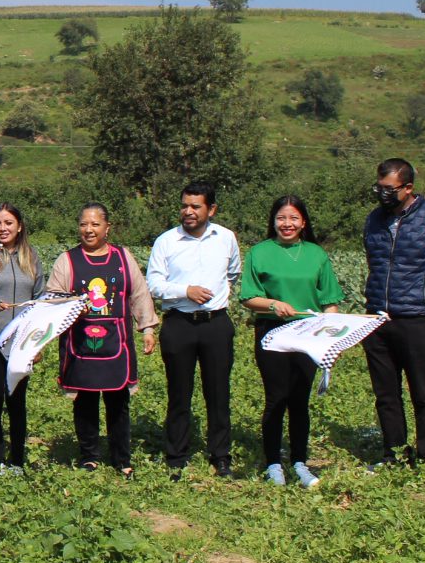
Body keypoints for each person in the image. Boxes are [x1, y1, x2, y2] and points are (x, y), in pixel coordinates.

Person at [361, 158, 425, 483]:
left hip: (416, 318)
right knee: (386, 393)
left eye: (389, 189)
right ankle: (394, 452)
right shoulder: (373, 221)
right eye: (379, 188)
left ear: (408, 188)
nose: (383, 194)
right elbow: (374, 265)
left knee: (423, 391)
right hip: (377, 319)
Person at [239, 195, 344, 488]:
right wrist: (273, 304)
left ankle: (299, 461)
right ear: (273, 221)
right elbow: (248, 297)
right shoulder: (259, 253)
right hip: (272, 333)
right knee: (276, 398)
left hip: (309, 334)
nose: (287, 224)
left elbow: (330, 300)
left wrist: (329, 335)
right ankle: (273, 462)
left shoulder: (316, 254)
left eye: (293, 218)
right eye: (282, 218)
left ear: (303, 222)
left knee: (300, 399)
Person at [46, 204, 157, 475]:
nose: (89, 230)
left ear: (107, 228)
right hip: (80, 343)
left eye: (95, 224)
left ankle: (122, 458)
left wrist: (148, 328)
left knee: (118, 402)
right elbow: (52, 298)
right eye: (84, 224)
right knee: (85, 402)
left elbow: (139, 293)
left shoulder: (122, 257)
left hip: (116, 343)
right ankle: (89, 456)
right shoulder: (67, 260)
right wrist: (71, 307)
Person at [145, 182, 242, 478]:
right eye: (184, 205)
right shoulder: (166, 241)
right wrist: (184, 290)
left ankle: (220, 455)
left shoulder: (226, 238)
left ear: (210, 209)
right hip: (179, 323)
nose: (188, 211)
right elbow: (153, 283)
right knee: (179, 393)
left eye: (195, 206)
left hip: (215, 324)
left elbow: (234, 273)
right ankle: (176, 455)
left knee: (218, 392)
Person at [0, 203, 51, 475]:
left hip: (21, 343)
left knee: (17, 399)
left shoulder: (31, 256)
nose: (2, 228)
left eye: (8, 223)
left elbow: (40, 298)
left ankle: (17, 460)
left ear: (20, 226)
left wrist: (37, 342)